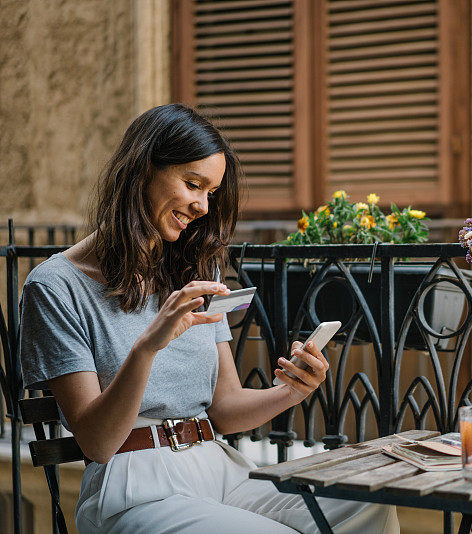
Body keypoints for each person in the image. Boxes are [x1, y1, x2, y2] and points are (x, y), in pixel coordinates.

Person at [19, 103, 399, 534]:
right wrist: (148, 346)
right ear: (143, 170)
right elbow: (99, 442)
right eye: (193, 184)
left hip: (218, 467)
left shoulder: (193, 272)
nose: (202, 205)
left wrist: (291, 392)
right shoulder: (55, 286)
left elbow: (225, 408)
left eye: (211, 192)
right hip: (135, 483)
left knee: (368, 505)